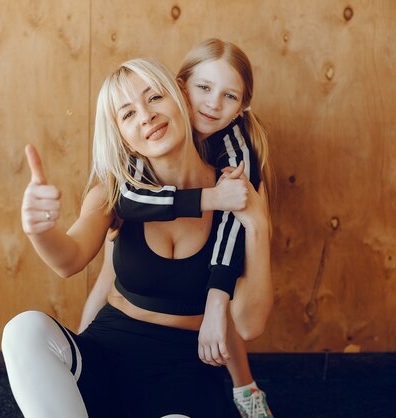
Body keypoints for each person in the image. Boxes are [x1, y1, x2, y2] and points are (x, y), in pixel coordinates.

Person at [2, 58, 272, 418]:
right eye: (127, 114)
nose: (145, 116)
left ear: (181, 98)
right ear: (121, 136)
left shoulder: (234, 186)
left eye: (154, 98)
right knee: (23, 330)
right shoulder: (114, 190)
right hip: (108, 354)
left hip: (183, 375)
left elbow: (250, 325)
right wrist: (40, 230)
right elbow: (69, 260)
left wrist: (257, 224)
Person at [78, 38, 274, 418]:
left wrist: (218, 299)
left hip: (215, 261)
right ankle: (85, 355)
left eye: (229, 96)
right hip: (137, 284)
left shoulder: (235, 153)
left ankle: (244, 387)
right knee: (116, 267)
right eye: (203, 88)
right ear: (179, 88)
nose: (213, 104)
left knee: (218, 284)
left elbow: (234, 236)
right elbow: (126, 205)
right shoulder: (150, 137)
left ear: (242, 108)